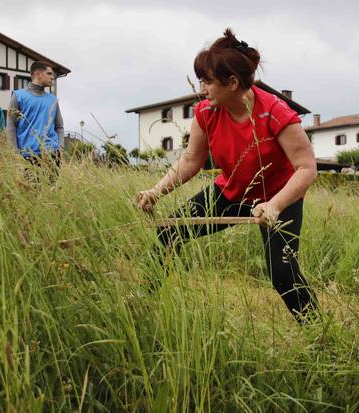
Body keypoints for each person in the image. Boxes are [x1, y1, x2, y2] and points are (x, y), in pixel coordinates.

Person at [135, 29, 319, 323]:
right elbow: (191, 160)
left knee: (282, 274)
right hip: (231, 191)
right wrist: (156, 191)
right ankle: (141, 302)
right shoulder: (206, 112)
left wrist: (275, 205)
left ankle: (317, 331)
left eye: (207, 81)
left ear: (232, 83)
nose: (202, 88)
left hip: (280, 198)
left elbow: (307, 168)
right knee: (170, 231)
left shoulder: (274, 111)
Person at [6, 61, 64, 168]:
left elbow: (59, 126)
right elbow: (10, 126)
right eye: (49, 73)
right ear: (38, 74)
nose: (53, 77)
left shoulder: (53, 99)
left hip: (52, 155)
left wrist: (60, 148)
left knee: (52, 185)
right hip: (27, 155)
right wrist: (14, 152)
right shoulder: (18, 96)